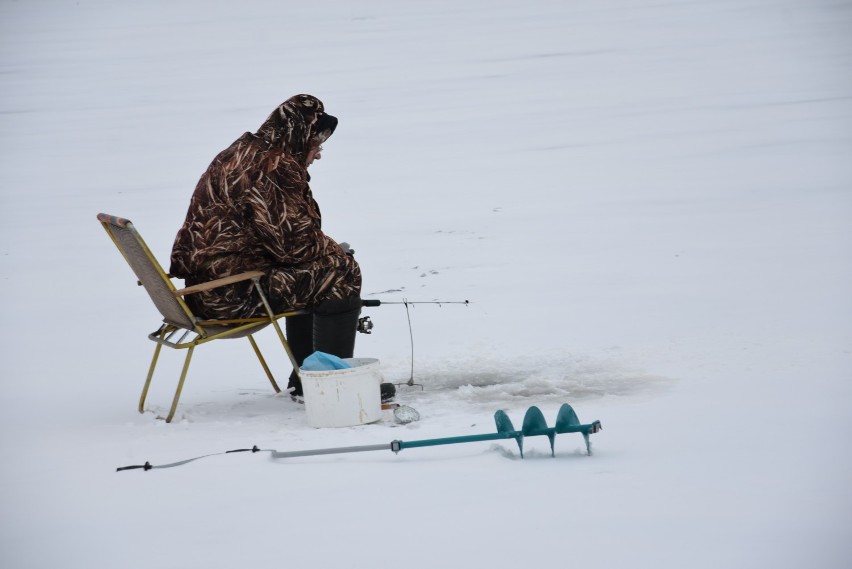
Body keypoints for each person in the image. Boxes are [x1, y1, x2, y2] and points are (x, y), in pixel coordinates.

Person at [170, 94, 367, 399]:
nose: (317, 155)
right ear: (300, 139)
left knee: (321, 268)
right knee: (342, 271)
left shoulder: (241, 151)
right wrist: (335, 251)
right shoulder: (274, 168)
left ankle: (307, 377)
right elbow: (294, 247)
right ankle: (331, 386)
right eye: (316, 146)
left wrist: (326, 249)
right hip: (228, 295)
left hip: (206, 287)